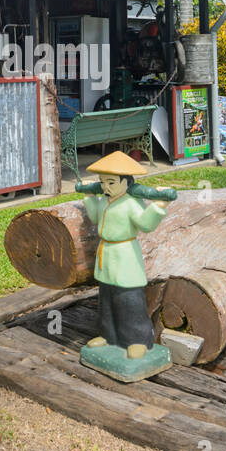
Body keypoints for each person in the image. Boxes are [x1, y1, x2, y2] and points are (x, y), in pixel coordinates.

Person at [77, 151, 168, 363]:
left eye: (111, 182)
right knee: (106, 297)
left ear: (126, 183)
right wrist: (89, 196)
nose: (106, 187)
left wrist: (159, 206)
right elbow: (94, 217)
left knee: (129, 299)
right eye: (102, 182)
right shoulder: (104, 201)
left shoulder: (131, 203)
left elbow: (146, 224)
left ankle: (137, 339)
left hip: (125, 255)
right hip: (106, 254)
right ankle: (108, 335)